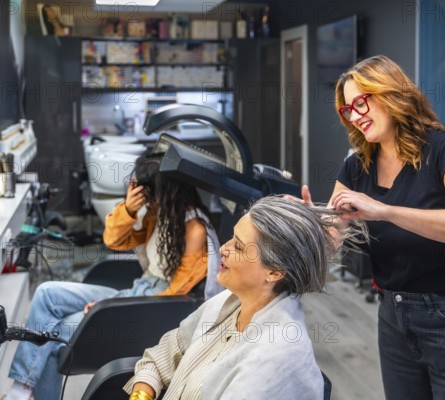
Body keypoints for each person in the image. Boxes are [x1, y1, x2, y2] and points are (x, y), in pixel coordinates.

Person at [299, 55, 445, 399]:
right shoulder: (357, 167)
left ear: (391, 93)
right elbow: (331, 241)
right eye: (347, 109)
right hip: (395, 318)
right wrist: (311, 224)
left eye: (361, 101)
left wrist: (386, 211)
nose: (355, 114)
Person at [5, 153, 222, 400]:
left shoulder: (194, 229)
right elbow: (114, 240)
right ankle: (22, 389)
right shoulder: (160, 213)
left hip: (150, 306)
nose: (142, 195)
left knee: (53, 335)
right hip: (138, 291)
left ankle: (21, 393)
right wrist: (128, 209)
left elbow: (176, 294)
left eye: (144, 190)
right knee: (46, 294)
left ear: (164, 190)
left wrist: (107, 307)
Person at [123, 196, 368, 400]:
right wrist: (141, 394)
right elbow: (164, 354)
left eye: (238, 247)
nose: (223, 248)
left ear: (274, 272)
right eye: (232, 237)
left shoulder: (274, 359)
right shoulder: (228, 302)